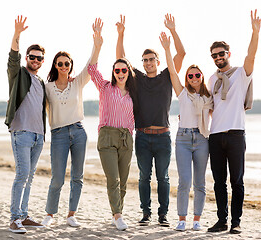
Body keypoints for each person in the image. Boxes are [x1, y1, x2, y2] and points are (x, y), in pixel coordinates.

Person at [116, 14, 186, 227]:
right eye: (144, 60)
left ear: (158, 61)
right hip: (143, 137)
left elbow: (181, 54)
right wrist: (121, 34)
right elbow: (120, 59)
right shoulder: (136, 78)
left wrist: (173, 32)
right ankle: (146, 214)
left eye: (151, 60)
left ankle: (163, 215)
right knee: (144, 177)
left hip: (163, 136)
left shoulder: (167, 76)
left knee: (163, 178)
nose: (147, 63)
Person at [40, 19, 102, 228]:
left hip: (79, 132)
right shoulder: (47, 88)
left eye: (67, 63)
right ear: (55, 66)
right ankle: (50, 213)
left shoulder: (78, 83)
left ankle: (71, 214)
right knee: (57, 178)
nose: (64, 66)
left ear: (71, 66)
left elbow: (91, 64)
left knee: (78, 176)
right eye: (60, 63)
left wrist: (97, 42)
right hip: (57, 134)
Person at [207, 10, 261, 234]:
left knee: (237, 181)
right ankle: (222, 220)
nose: (218, 57)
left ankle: (236, 222)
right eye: (214, 55)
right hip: (215, 135)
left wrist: (255, 32)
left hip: (236, 134)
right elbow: (209, 107)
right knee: (219, 182)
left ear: (228, 53)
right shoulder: (211, 79)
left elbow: (251, 56)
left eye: (221, 53)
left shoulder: (241, 74)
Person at [159, 32, 212, 231]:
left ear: (202, 77)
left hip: (202, 139)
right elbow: (172, 72)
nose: (194, 78)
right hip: (182, 139)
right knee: (184, 181)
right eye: (190, 75)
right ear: (187, 79)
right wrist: (167, 48)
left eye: (197, 75)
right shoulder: (182, 93)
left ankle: (196, 220)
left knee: (200, 182)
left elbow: (219, 114)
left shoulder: (209, 97)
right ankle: (182, 219)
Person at [87, 21, 137, 231]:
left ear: (128, 71)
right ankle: (117, 215)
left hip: (127, 138)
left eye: (123, 69)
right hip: (107, 137)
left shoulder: (135, 93)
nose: (120, 72)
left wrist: (121, 35)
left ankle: (118, 213)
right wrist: (97, 45)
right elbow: (92, 69)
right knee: (113, 178)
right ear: (113, 72)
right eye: (117, 70)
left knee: (123, 181)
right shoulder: (105, 88)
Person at [5, 15, 46, 234]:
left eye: (39, 58)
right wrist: (17, 34)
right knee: (22, 175)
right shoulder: (18, 74)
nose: (35, 60)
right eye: (32, 57)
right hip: (21, 133)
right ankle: (14, 219)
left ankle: (24, 215)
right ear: (28, 57)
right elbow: (13, 58)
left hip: (38, 136)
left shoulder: (41, 81)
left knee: (29, 177)